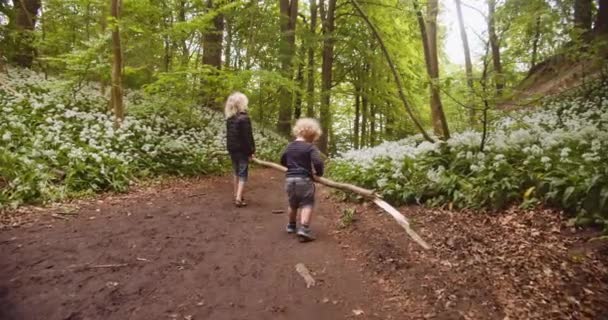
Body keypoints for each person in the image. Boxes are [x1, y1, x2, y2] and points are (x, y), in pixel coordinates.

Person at [280, 118, 324, 242]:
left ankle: (291, 225)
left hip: (289, 180)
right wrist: (319, 173)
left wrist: (289, 166)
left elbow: (282, 159)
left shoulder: (289, 146)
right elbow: (318, 162)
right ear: (312, 135)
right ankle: (304, 228)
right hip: (304, 180)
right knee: (307, 203)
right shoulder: (310, 147)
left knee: (292, 204)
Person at [225, 92, 255, 207]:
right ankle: (238, 198)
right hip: (242, 150)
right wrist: (251, 151)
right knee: (243, 173)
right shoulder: (244, 118)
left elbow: (230, 136)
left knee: (236, 171)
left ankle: (236, 194)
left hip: (232, 149)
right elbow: (248, 137)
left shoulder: (230, 119)